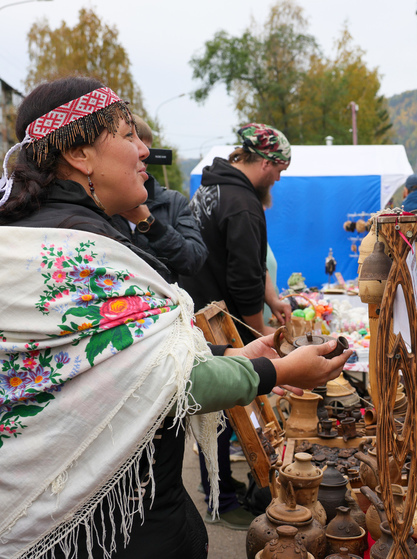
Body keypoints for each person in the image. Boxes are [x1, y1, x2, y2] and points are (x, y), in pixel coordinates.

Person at [0, 76, 351, 558]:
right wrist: (279, 370)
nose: (144, 151)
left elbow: (130, 361)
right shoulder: (82, 254)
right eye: (127, 135)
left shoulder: (36, 236)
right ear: (80, 155)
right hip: (113, 530)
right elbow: (171, 378)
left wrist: (232, 353)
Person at [180, 122, 295, 527]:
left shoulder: (214, 187)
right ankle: (221, 499)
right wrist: (261, 331)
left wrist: (273, 300)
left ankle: (219, 490)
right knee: (224, 411)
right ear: (265, 162)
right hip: (216, 321)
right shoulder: (243, 203)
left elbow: (244, 260)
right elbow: (245, 277)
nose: (280, 177)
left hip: (201, 311)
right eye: (280, 169)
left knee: (221, 414)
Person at [111, 115, 207, 284]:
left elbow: (194, 260)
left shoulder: (172, 201)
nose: (142, 157)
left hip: (164, 306)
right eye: (133, 148)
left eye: (147, 152)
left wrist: (150, 225)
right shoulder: (99, 203)